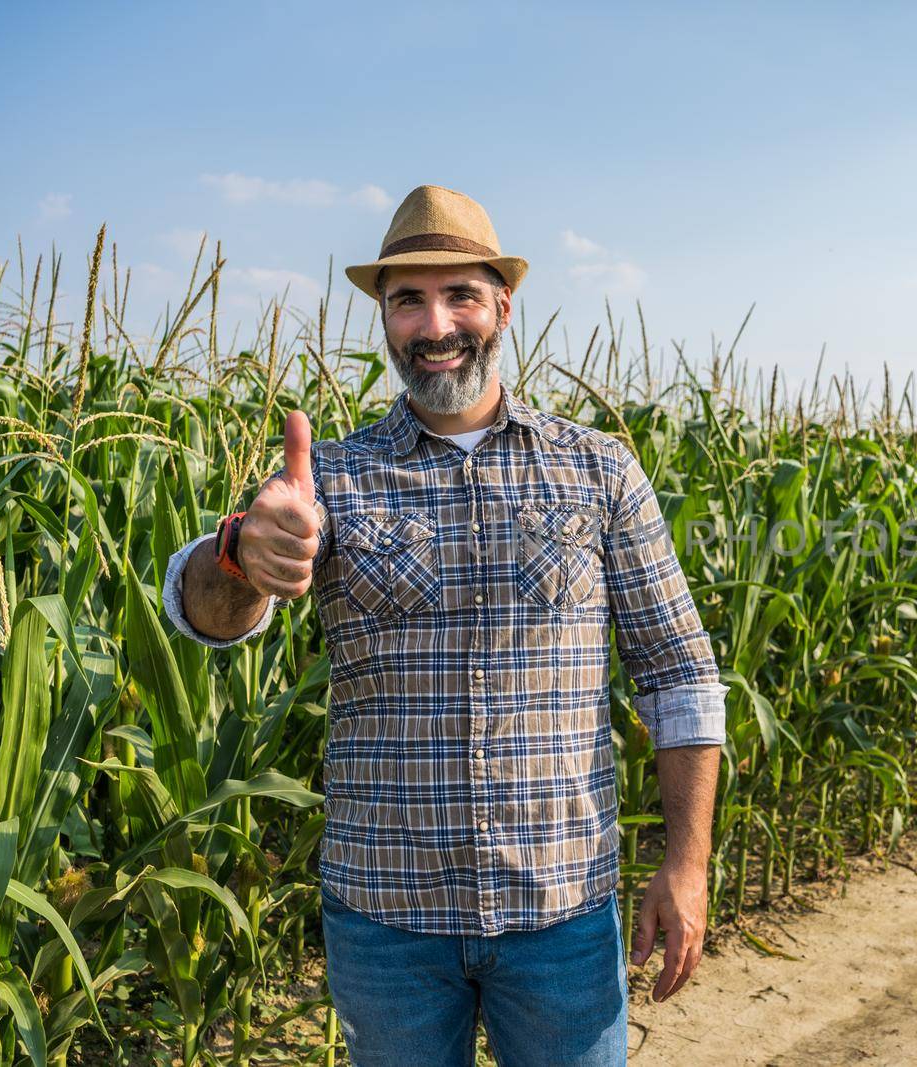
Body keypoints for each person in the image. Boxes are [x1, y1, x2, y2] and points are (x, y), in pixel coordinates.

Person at [160, 185, 728, 1066]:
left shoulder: (599, 471)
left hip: (562, 916)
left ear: (503, 304)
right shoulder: (334, 483)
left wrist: (686, 865)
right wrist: (239, 552)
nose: (436, 325)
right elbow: (210, 617)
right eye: (408, 300)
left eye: (459, 293)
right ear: (383, 317)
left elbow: (681, 675)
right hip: (388, 926)